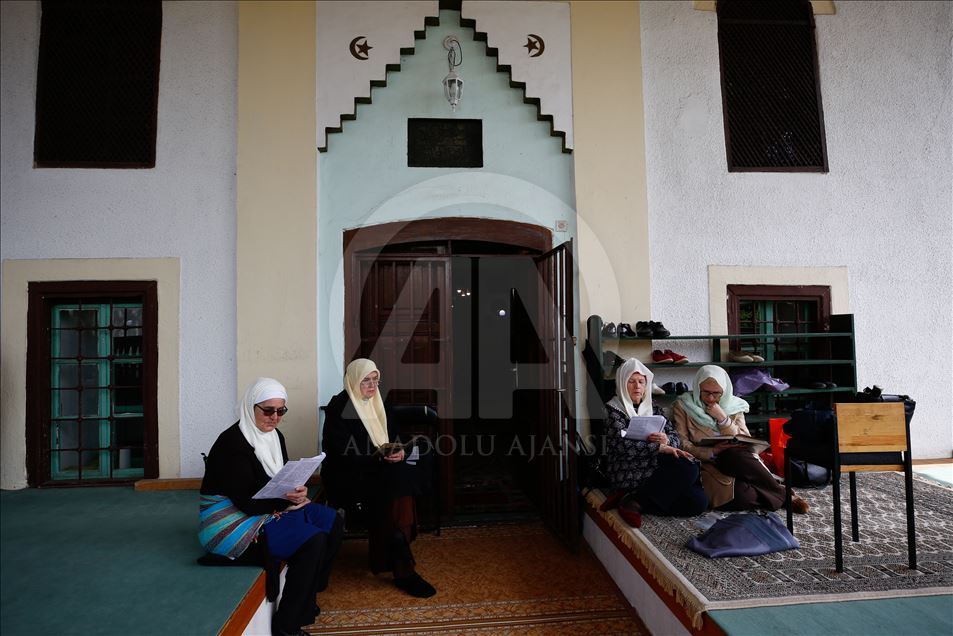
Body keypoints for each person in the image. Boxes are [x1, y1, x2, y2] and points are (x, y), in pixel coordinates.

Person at [199, 378, 343, 636]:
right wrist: (290, 499)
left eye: (281, 411)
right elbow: (248, 503)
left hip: (269, 506)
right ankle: (286, 627)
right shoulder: (233, 444)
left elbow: (281, 479)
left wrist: (297, 490)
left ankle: (307, 600)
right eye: (268, 410)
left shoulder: (274, 436)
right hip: (231, 522)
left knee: (332, 521)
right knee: (313, 540)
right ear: (250, 407)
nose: (275, 417)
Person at [321, 358, 436, 598]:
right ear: (353, 380)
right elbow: (341, 453)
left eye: (375, 380)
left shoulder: (380, 402)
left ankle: (394, 554)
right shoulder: (339, 408)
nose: (372, 386)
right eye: (366, 380)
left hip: (381, 469)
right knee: (396, 483)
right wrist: (377, 458)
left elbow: (394, 436)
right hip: (350, 475)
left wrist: (399, 449)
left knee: (406, 470)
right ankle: (404, 570)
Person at [672, 365, 809, 514]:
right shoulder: (683, 405)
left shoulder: (734, 405)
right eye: (705, 392)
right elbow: (682, 443)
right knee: (743, 498)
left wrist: (723, 419)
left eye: (716, 393)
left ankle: (776, 492)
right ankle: (782, 493)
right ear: (698, 388)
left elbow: (744, 437)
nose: (711, 398)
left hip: (738, 459)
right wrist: (712, 451)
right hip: (707, 462)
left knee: (735, 454)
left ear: (724, 392)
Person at [603, 358, 708, 516]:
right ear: (621, 383)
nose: (637, 386)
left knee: (698, 502)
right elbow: (621, 445)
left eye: (641, 381)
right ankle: (636, 498)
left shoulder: (653, 408)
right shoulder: (612, 410)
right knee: (689, 468)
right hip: (629, 468)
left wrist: (666, 440)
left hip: (657, 467)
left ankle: (636, 502)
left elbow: (675, 437)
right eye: (631, 381)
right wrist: (659, 447)